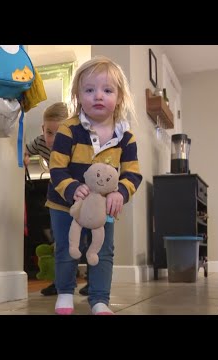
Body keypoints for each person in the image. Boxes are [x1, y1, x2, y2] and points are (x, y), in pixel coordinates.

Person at [45, 56, 142, 315]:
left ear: (119, 97)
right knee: (67, 247)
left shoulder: (126, 137)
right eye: (89, 90)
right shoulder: (68, 129)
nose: (98, 96)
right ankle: (65, 291)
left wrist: (121, 193)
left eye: (107, 90)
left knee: (103, 250)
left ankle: (99, 299)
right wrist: (71, 187)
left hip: (103, 207)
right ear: (78, 94)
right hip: (64, 203)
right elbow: (56, 166)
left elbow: (133, 174)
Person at [23, 102, 89, 296]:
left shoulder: (76, 142)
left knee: (85, 238)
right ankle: (60, 281)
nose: (52, 139)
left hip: (81, 193)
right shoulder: (41, 142)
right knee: (60, 241)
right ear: (43, 129)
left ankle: (92, 279)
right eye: (49, 132)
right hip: (58, 196)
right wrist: (24, 156)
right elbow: (25, 148)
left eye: (59, 133)